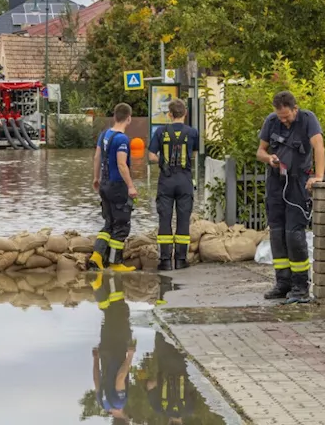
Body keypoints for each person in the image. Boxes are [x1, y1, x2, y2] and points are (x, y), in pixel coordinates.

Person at [256, 91, 325, 304]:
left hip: (297, 184)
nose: (283, 120)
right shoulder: (271, 121)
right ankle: (282, 283)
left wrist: (319, 177)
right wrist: (269, 158)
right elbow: (260, 151)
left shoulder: (308, 119)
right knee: (277, 234)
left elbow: (318, 147)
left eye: (287, 116)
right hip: (276, 183)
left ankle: (301, 286)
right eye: (280, 117)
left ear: (295, 109)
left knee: (294, 235)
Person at [148, 99, 198, 271]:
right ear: (185, 113)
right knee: (183, 219)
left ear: (169, 114)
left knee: (165, 219)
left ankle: (165, 260)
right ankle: (181, 260)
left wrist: (163, 161)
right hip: (184, 180)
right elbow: (195, 154)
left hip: (166, 181)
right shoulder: (192, 132)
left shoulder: (161, 131)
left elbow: (151, 156)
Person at [92, 103, 138, 272]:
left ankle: (97, 256)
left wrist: (96, 178)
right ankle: (115, 262)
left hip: (104, 184)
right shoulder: (122, 139)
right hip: (118, 186)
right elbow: (121, 164)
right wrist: (131, 186)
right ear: (129, 118)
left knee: (109, 223)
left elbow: (97, 157)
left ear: (114, 117)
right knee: (122, 225)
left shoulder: (104, 134)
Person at [92, 271, 135, 424]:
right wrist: (96, 359)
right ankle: (98, 286)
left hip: (116, 350)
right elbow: (96, 380)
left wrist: (130, 356)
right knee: (109, 316)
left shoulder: (119, 403)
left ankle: (111, 277)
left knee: (120, 312)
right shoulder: (103, 404)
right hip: (104, 352)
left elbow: (120, 378)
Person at [145, 332, 198, 423]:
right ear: (169, 423)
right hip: (164, 362)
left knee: (182, 332)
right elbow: (150, 384)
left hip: (182, 364)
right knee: (162, 329)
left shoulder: (189, 409)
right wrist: (160, 381)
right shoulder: (159, 408)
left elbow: (194, 389)